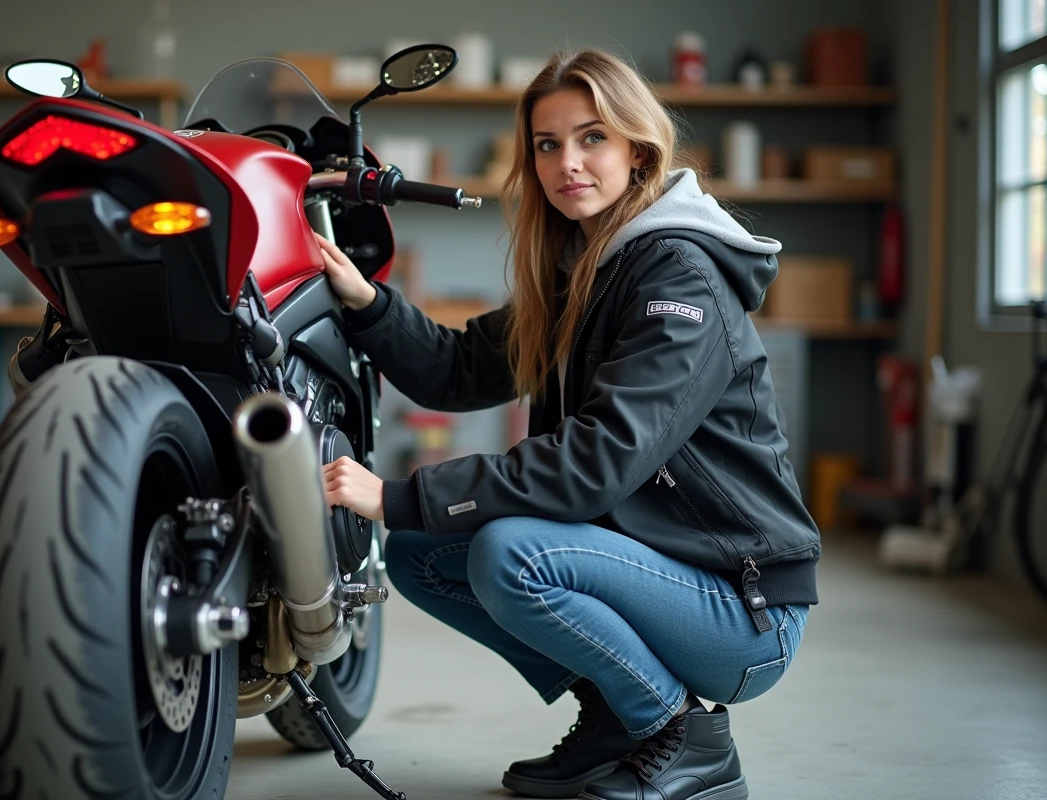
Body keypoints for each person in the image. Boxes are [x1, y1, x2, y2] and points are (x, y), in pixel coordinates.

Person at [317, 47, 820, 800]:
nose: (567, 164)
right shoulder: (585, 270)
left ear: (638, 148)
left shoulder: (677, 275)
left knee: (512, 554)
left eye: (592, 138)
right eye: (547, 145)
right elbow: (460, 368)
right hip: (659, 566)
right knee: (422, 552)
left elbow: (597, 461)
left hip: (743, 610)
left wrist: (394, 493)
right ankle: (618, 718)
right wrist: (366, 302)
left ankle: (682, 734)